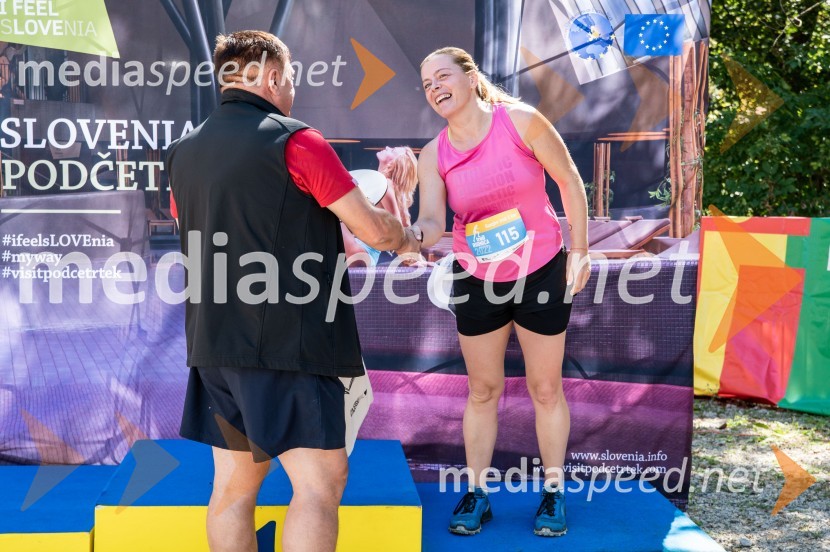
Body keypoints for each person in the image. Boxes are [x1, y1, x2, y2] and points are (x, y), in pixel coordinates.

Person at [166, 31, 419, 552]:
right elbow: (373, 231)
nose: (294, 89)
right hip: (288, 347)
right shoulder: (296, 141)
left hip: (215, 346)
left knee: (233, 490)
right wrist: (409, 235)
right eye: (293, 78)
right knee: (320, 485)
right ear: (273, 75)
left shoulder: (183, 153)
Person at [404, 46, 591, 537]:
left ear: (469, 78)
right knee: (483, 389)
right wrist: (409, 238)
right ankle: (478, 494)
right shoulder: (433, 154)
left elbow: (569, 181)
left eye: (442, 76)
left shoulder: (521, 122)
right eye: (427, 84)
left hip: (542, 270)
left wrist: (581, 250)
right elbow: (429, 221)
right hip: (477, 278)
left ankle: (553, 493)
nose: (435, 88)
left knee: (545, 389)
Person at [342, 146, 419, 266]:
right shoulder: (379, 184)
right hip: (360, 252)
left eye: (392, 150)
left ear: (395, 163)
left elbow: (399, 230)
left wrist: (411, 261)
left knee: (330, 203)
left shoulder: (386, 184)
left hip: (360, 253)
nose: (387, 147)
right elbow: (405, 227)